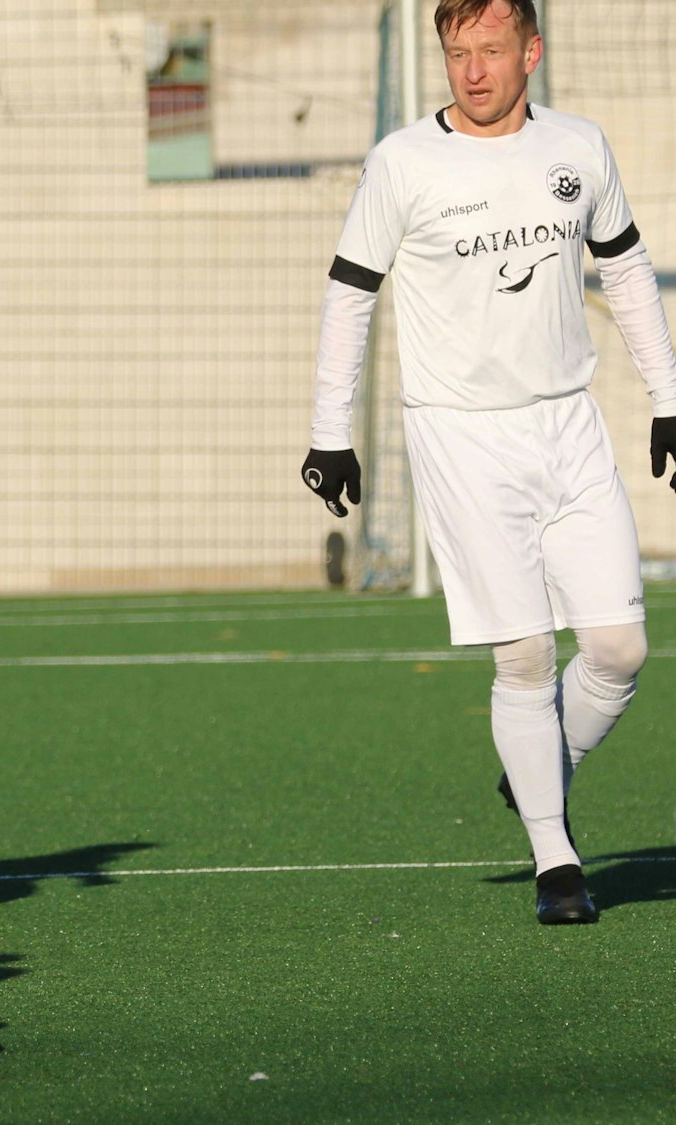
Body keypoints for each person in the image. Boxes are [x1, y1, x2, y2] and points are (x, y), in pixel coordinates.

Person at [300, 0, 676, 924]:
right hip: (461, 435)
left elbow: (625, 269)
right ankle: (558, 865)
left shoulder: (579, 147)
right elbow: (352, 294)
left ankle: (538, 769)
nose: (473, 71)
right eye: (457, 53)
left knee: (621, 647)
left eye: (492, 50)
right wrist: (328, 429)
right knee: (524, 655)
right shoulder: (403, 163)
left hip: (568, 423)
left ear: (531, 52)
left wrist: (670, 398)